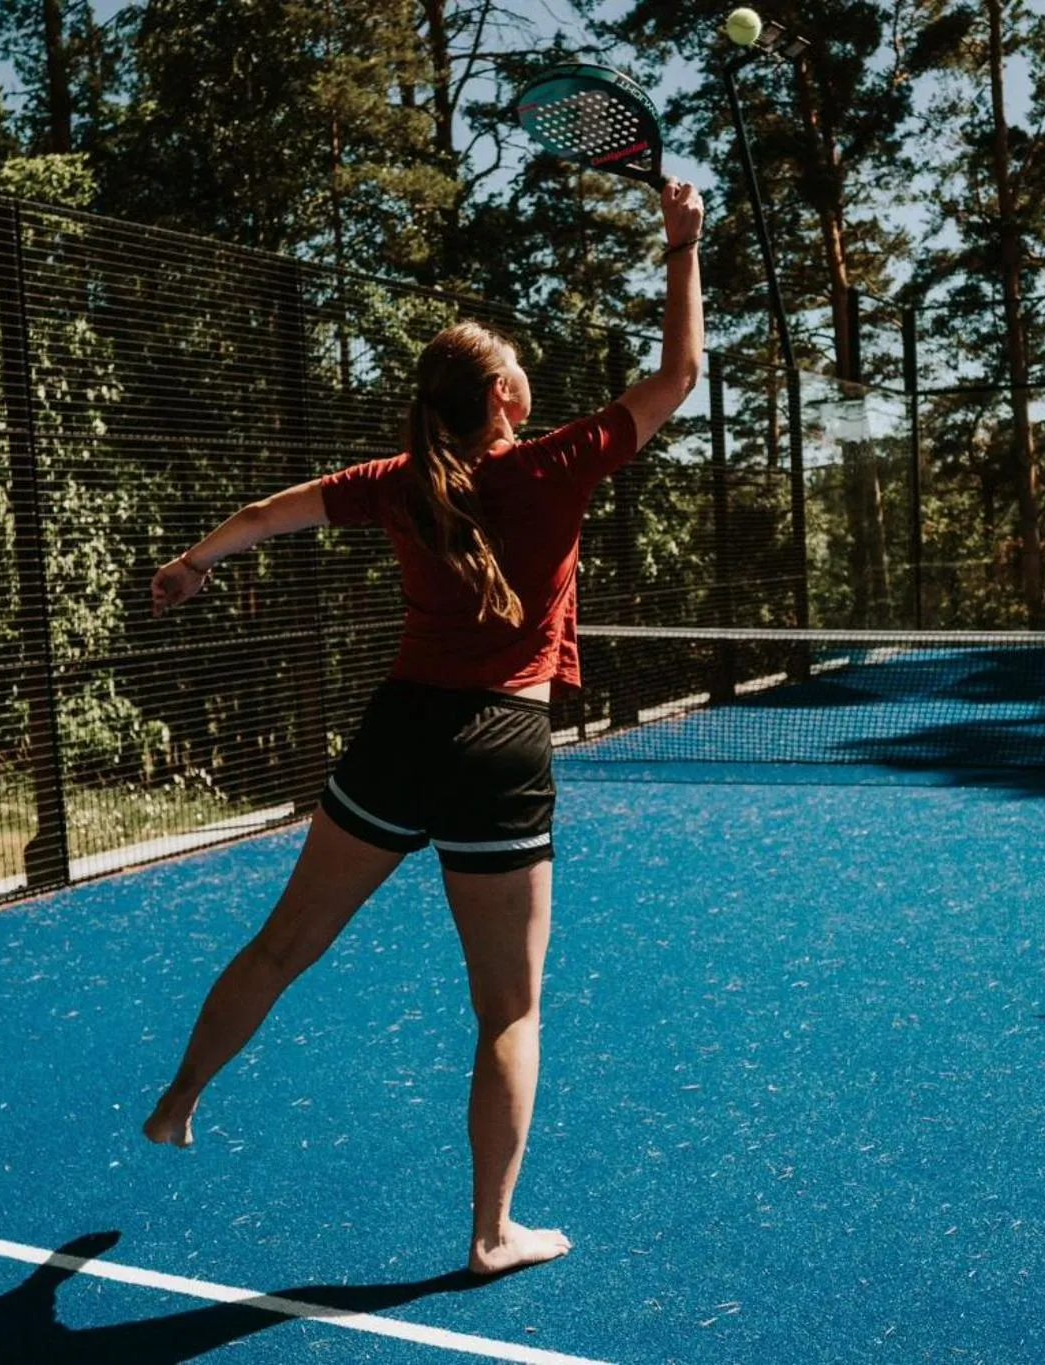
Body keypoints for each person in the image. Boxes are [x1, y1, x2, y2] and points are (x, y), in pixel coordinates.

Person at [139, 180, 706, 1277]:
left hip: (397, 731)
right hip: (500, 747)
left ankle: (179, 1099)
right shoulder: (552, 465)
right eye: (520, 369)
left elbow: (268, 516)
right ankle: (492, 1234)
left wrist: (192, 562)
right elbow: (678, 374)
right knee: (506, 1006)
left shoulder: (399, 482)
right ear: (502, 394)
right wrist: (680, 249)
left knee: (280, 944)